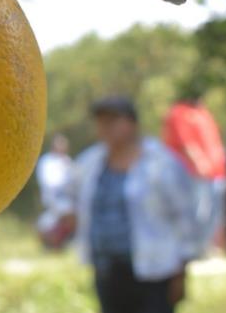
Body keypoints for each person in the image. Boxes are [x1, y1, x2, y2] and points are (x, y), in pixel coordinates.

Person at [59, 96, 198, 313]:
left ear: (132, 123)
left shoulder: (161, 163)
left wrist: (182, 271)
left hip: (154, 269)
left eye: (113, 120)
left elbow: (184, 217)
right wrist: (67, 216)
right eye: (102, 122)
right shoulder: (89, 163)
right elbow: (65, 197)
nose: (107, 128)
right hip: (107, 269)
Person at [162, 96, 226, 254]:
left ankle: (206, 247)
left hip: (216, 172)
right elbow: (185, 142)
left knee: (215, 212)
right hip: (194, 173)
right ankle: (194, 249)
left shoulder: (202, 112)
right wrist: (198, 162)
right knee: (199, 212)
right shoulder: (179, 112)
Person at [36, 134, 74, 248]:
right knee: (51, 220)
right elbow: (48, 181)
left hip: (67, 197)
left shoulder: (67, 161)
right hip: (53, 197)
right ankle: (50, 243)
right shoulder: (47, 161)